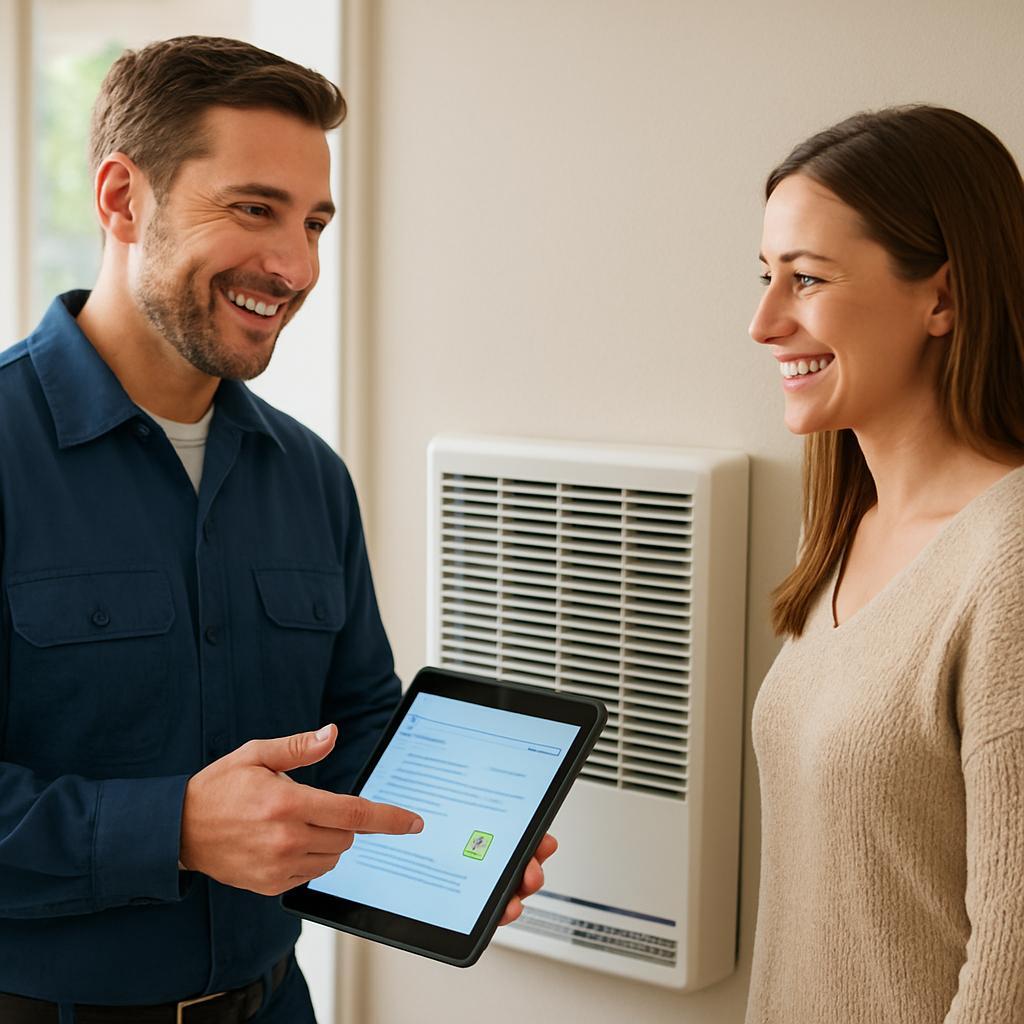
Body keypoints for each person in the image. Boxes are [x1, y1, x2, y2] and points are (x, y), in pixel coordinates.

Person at [0, 36, 553, 1023]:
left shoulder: (310, 478)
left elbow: (354, 730)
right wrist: (171, 827)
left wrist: (450, 834)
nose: (295, 265)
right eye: (254, 209)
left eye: (314, 222)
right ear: (122, 198)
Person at [746, 104, 1024, 1023]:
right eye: (765, 276)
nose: (764, 322)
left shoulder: (1008, 561)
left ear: (942, 297)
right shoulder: (842, 527)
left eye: (808, 279)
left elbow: (1008, 976)